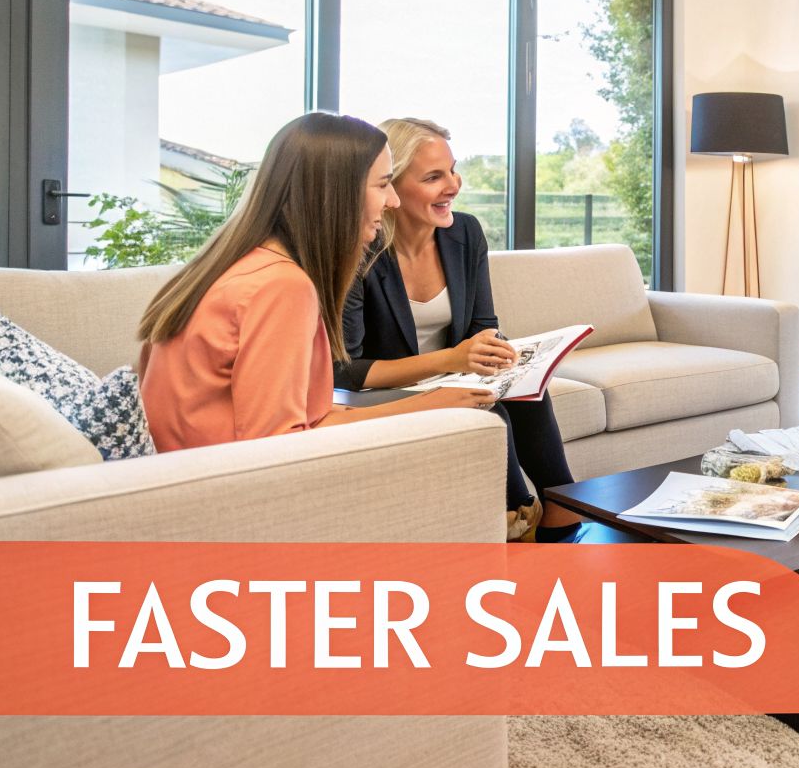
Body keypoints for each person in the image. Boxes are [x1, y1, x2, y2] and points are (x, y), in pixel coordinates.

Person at [139, 113, 494, 453]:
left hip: (189, 475)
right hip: (224, 489)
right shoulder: (281, 287)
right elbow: (280, 443)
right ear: (338, 193)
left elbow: (305, 417)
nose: (393, 201)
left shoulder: (233, 266)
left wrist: (429, 402)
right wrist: (428, 407)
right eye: (383, 184)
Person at [333, 118, 581, 542]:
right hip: (381, 387)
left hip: (451, 371)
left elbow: (483, 325)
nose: (453, 185)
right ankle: (516, 518)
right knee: (490, 406)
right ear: (390, 187)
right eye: (433, 177)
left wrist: (502, 354)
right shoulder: (361, 245)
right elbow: (346, 370)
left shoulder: (464, 232)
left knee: (529, 394)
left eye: (452, 169)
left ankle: (563, 513)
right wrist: (450, 360)